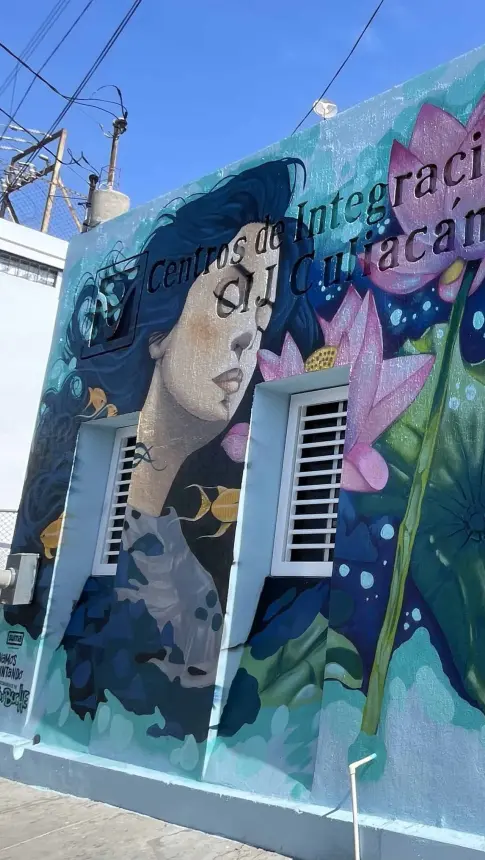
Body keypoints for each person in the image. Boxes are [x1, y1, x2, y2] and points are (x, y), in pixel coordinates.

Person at [57, 159, 317, 736]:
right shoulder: (108, 533)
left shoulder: (197, 555)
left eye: (263, 309)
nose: (250, 334)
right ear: (158, 328)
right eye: (231, 295)